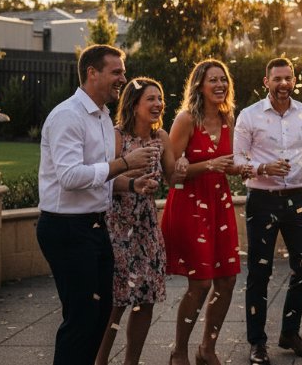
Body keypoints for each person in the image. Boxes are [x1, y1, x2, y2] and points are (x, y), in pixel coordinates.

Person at [36, 44, 160, 365]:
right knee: (80, 318)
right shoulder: (67, 116)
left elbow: (98, 178)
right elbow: (70, 177)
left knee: (101, 312)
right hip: (66, 228)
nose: (123, 78)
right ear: (92, 73)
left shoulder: (103, 117)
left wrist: (132, 182)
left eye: (122, 71)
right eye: (116, 72)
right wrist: (124, 163)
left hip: (95, 225)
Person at [233, 57, 302, 363]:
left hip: (298, 199)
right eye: (277, 79)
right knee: (259, 272)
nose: (283, 84)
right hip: (262, 200)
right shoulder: (249, 116)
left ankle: (290, 332)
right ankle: (257, 342)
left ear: (294, 81)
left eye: (288, 78)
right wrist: (262, 166)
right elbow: (236, 160)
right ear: (266, 83)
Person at [162, 59, 242, 365]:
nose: (220, 85)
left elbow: (229, 164)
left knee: (227, 280)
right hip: (190, 205)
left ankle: (207, 349)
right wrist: (207, 165)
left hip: (219, 205)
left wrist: (250, 167)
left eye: (223, 80)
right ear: (200, 85)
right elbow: (171, 174)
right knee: (201, 282)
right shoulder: (185, 120)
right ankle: (178, 350)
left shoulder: (228, 119)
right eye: (213, 80)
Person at [96, 77, 180, 365]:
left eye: (160, 99)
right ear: (134, 104)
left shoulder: (161, 138)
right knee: (115, 302)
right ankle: (100, 360)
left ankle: (131, 362)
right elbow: (103, 179)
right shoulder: (116, 135)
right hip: (118, 226)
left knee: (145, 301)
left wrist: (180, 167)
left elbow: (172, 178)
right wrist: (132, 183)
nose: (158, 104)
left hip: (146, 228)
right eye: (151, 99)